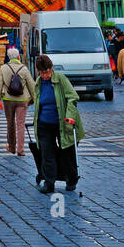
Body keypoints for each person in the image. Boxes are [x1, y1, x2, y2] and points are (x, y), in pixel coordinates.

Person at [32, 54, 83, 194]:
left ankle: (71, 179)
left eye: (47, 72)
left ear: (51, 69)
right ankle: (49, 183)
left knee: (67, 151)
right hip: (44, 123)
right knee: (47, 153)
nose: (45, 75)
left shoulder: (60, 79)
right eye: (42, 73)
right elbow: (38, 101)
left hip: (63, 123)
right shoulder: (38, 82)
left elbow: (73, 97)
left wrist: (70, 116)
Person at [0, 45, 35, 156]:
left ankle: (11, 147)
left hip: (8, 99)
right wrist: (34, 98)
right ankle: (20, 150)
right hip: (22, 100)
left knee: (10, 123)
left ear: (8, 57)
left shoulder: (3, 68)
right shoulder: (24, 69)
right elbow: (31, 84)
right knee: (20, 124)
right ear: (18, 57)